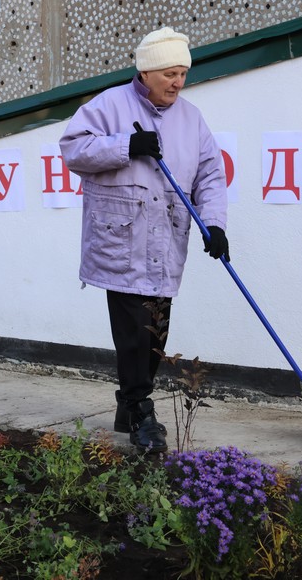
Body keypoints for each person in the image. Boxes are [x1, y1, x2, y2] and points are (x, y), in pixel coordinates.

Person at [59, 27, 229, 453]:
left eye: (183, 73)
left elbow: (210, 174)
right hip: (122, 241)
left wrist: (215, 225)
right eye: (170, 73)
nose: (178, 82)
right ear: (147, 71)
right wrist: (126, 145)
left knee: (156, 332)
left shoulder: (191, 118)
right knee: (136, 332)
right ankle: (140, 410)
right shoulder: (110, 105)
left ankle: (127, 405)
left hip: (167, 241)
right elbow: (72, 149)